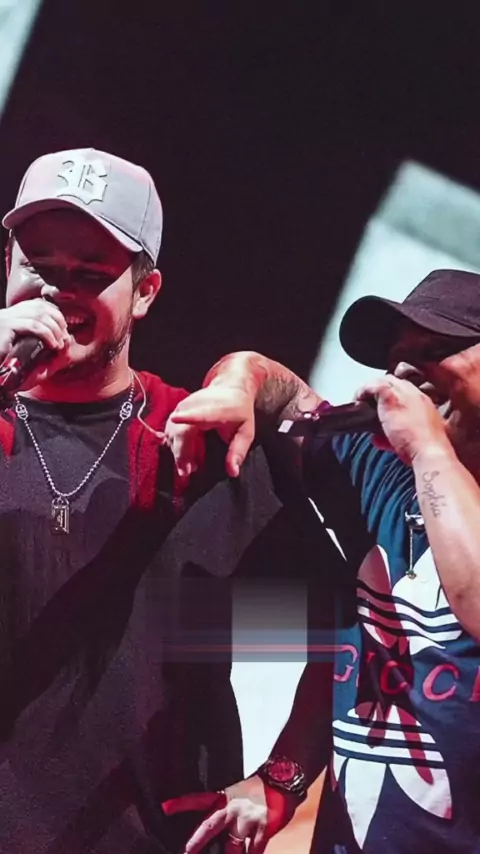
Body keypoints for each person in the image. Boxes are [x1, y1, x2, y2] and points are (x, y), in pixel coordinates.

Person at [0, 147, 340, 854]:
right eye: (40, 266)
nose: (57, 293)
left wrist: (282, 778)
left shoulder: (199, 441)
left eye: (90, 274)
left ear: (146, 291)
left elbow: (352, 627)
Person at [163, 269, 480, 853]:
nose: (404, 372)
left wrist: (428, 449)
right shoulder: (382, 473)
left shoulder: (420, 457)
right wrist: (238, 380)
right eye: (397, 357)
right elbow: (282, 391)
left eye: (436, 350)